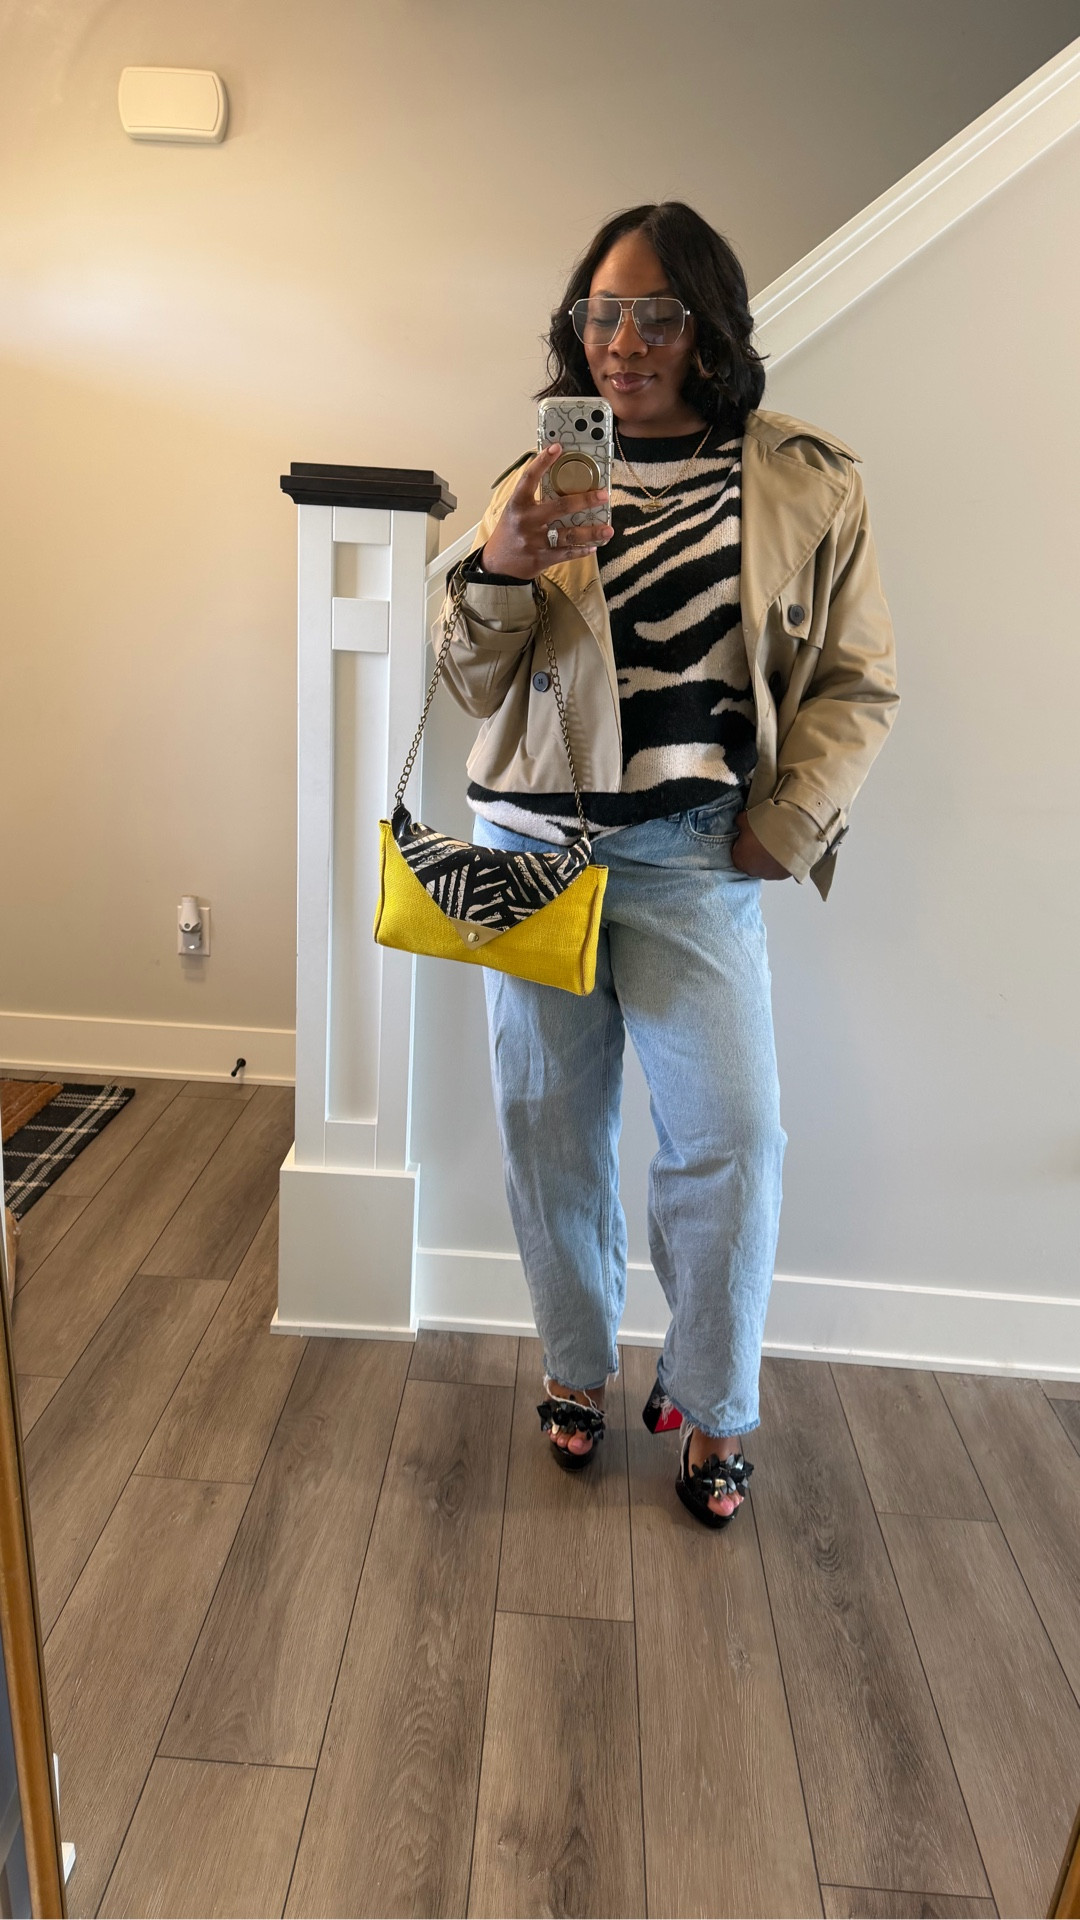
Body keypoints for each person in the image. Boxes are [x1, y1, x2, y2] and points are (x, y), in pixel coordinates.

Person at [440, 201, 898, 1529]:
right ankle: (575, 1365)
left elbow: (858, 682)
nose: (624, 341)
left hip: (694, 860)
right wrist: (498, 563)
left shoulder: (806, 480)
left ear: (709, 326)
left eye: (655, 313)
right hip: (533, 850)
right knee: (549, 1133)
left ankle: (713, 1399)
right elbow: (468, 679)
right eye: (602, 312)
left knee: (734, 1141)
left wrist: (784, 827)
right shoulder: (535, 478)